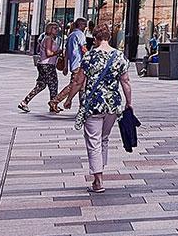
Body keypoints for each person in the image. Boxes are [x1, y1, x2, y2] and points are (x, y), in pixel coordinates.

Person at [56, 25, 134, 193]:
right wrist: (129, 102)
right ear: (109, 38)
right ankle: (101, 169)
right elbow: (125, 82)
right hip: (112, 105)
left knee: (93, 141)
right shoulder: (120, 56)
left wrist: (69, 100)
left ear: (96, 39)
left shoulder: (90, 56)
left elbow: (78, 81)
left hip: (93, 105)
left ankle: (98, 180)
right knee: (104, 138)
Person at [19, 23, 63, 113]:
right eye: (54, 28)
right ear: (49, 29)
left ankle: (24, 102)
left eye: (57, 28)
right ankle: (53, 105)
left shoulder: (48, 39)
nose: (57, 30)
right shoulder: (48, 39)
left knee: (41, 85)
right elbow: (49, 53)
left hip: (44, 64)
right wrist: (58, 52)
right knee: (53, 85)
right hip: (47, 65)